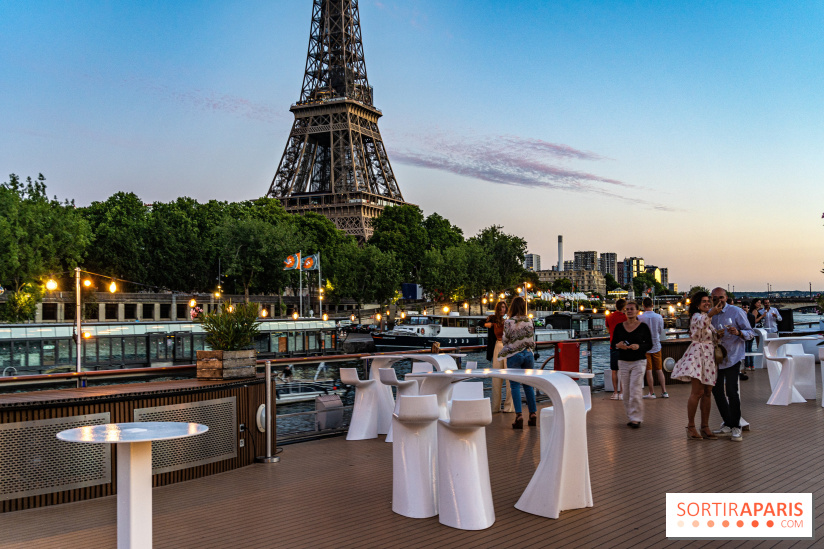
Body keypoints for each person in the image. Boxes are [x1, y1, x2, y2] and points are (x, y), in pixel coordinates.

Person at [671, 292, 722, 440]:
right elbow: (702, 322)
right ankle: (691, 426)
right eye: (704, 301)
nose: (707, 303)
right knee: (697, 391)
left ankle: (705, 426)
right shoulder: (697, 316)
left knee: (707, 391)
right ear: (697, 304)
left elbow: (707, 328)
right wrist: (712, 312)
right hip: (698, 355)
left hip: (708, 356)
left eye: (708, 301)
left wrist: (718, 335)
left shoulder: (707, 318)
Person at [710, 288, 756, 442]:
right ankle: (728, 422)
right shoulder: (711, 314)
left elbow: (750, 333)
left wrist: (738, 333)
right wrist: (716, 335)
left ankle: (736, 426)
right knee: (716, 391)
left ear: (726, 297)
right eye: (715, 298)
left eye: (721, 297)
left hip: (733, 357)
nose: (719, 300)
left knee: (731, 390)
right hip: (717, 358)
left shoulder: (736, 312)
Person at [611, 301, 652, 428]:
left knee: (635, 389)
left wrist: (638, 346)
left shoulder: (643, 327)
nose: (629, 311)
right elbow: (613, 344)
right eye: (627, 309)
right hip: (623, 361)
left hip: (638, 361)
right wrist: (619, 346)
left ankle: (636, 418)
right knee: (627, 392)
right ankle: (631, 415)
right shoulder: (619, 327)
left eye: (631, 309)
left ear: (637, 311)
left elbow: (649, 344)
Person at [498, 296, 536, 429]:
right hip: (528, 354)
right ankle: (533, 414)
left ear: (512, 307)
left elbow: (505, 340)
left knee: (514, 385)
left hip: (514, 355)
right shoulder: (529, 320)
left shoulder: (509, 322)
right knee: (528, 385)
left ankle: (519, 415)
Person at [484, 301, 514, 413]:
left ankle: (508, 407)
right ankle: (495, 407)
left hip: (508, 346)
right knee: (496, 378)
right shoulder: (493, 318)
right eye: (501, 307)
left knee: (509, 378)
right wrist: (491, 324)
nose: (503, 309)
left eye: (504, 307)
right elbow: (482, 323)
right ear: (498, 309)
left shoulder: (509, 319)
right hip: (497, 345)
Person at [640, 297, 668, 399]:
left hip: (645, 347)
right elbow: (661, 330)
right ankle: (664, 391)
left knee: (649, 370)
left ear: (643, 306)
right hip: (656, 345)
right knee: (659, 369)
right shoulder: (659, 317)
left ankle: (651, 393)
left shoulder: (640, 317)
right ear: (652, 305)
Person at [605, 298, 628, 400]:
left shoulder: (609, 316)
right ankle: (622, 393)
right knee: (623, 371)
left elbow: (608, 329)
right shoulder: (626, 317)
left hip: (613, 345)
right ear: (624, 307)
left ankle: (615, 393)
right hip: (623, 346)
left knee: (614, 370)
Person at [741, 302, 756, 371]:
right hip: (749, 334)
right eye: (743, 307)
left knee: (748, 349)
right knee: (748, 349)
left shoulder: (749, 316)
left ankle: (749, 365)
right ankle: (750, 365)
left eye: (745, 307)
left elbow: (752, 325)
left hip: (748, 334)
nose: (744, 308)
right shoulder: (751, 316)